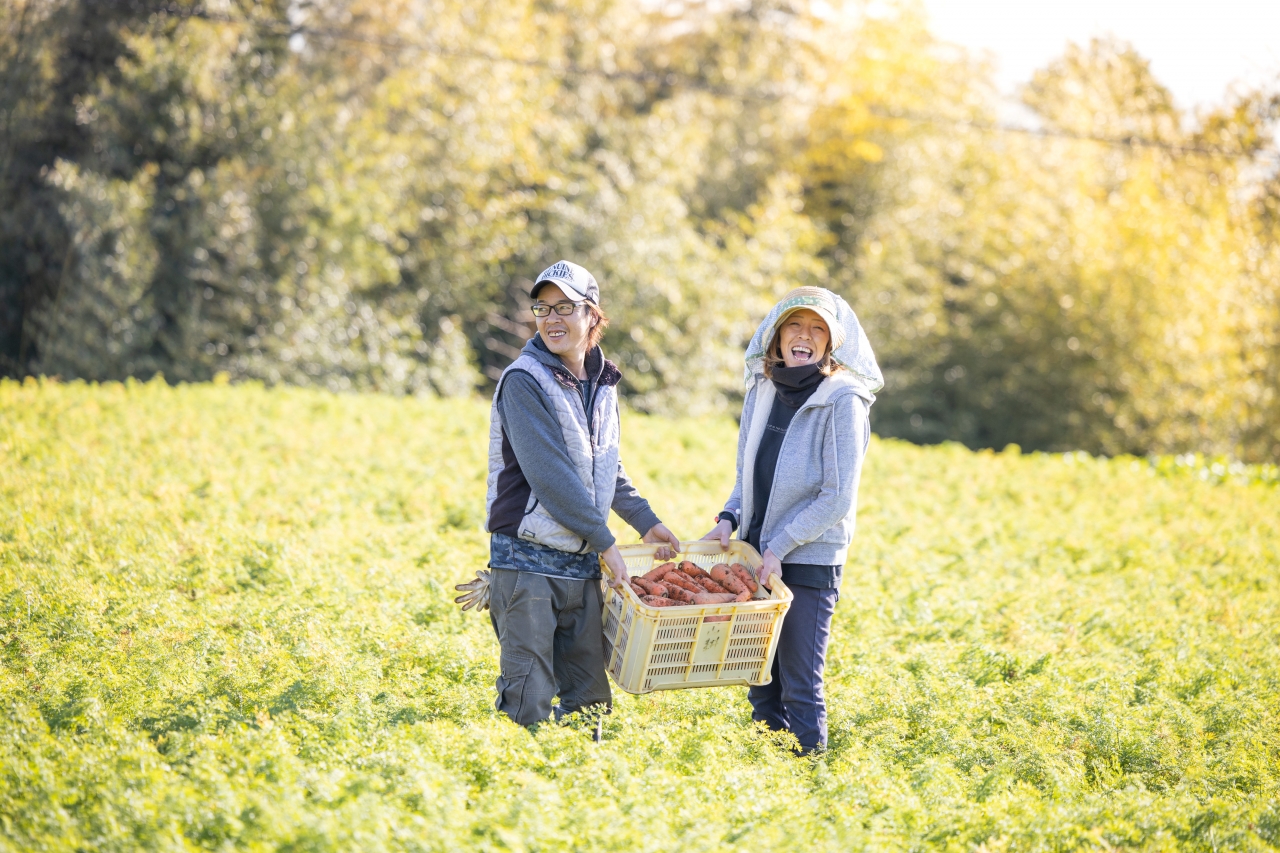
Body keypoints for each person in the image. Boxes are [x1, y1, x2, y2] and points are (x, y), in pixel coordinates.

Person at [480, 259, 680, 732]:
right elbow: (551, 477)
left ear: (593, 315)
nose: (551, 318)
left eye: (565, 307)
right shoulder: (524, 380)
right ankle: (516, 794)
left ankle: (575, 796)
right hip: (527, 564)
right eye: (542, 308)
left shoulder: (601, 382)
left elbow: (605, 468)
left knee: (589, 702)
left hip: (580, 568)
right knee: (527, 699)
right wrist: (608, 543)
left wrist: (645, 521)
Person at [702, 286, 882, 754]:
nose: (805, 336)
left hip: (806, 559)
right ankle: (770, 778)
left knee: (799, 683)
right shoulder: (763, 390)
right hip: (758, 553)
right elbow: (748, 473)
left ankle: (809, 784)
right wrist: (729, 517)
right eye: (795, 325)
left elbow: (837, 497)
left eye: (818, 328)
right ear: (777, 336)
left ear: (831, 342)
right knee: (760, 681)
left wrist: (781, 545)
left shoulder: (844, 400)